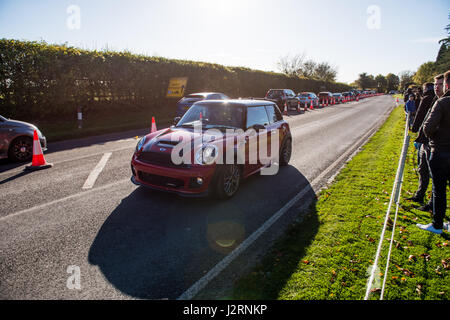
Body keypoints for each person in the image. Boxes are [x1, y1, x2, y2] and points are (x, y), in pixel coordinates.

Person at [417, 70, 450, 234]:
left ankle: (437, 224)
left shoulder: (443, 103)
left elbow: (428, 128)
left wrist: (434, 136)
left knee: (439, 190)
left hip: (441, 151)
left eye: (442, 84)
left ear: (447, 85)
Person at [406, 82, 436, 204]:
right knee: (422, 168)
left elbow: (421, 115)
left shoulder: (430, 99)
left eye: (441, 84)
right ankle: (420, 194)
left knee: (431, 172)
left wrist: (415, 128)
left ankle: (431, 203)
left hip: (432, 142)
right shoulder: (433, 99)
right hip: (425, 140)